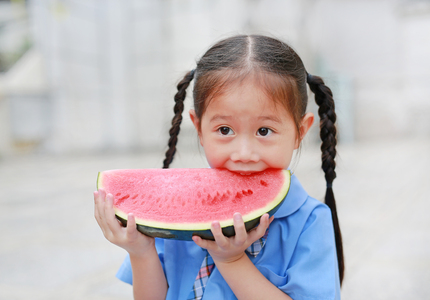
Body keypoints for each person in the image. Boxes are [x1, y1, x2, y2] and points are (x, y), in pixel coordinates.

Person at [94, 34, 344, 300]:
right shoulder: (178, 208)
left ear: (299, 131)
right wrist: (140, 251)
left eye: (264, 130)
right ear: (199, 129)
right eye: (225, 130)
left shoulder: (310, 221)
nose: (244, 153)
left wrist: (232, 261)